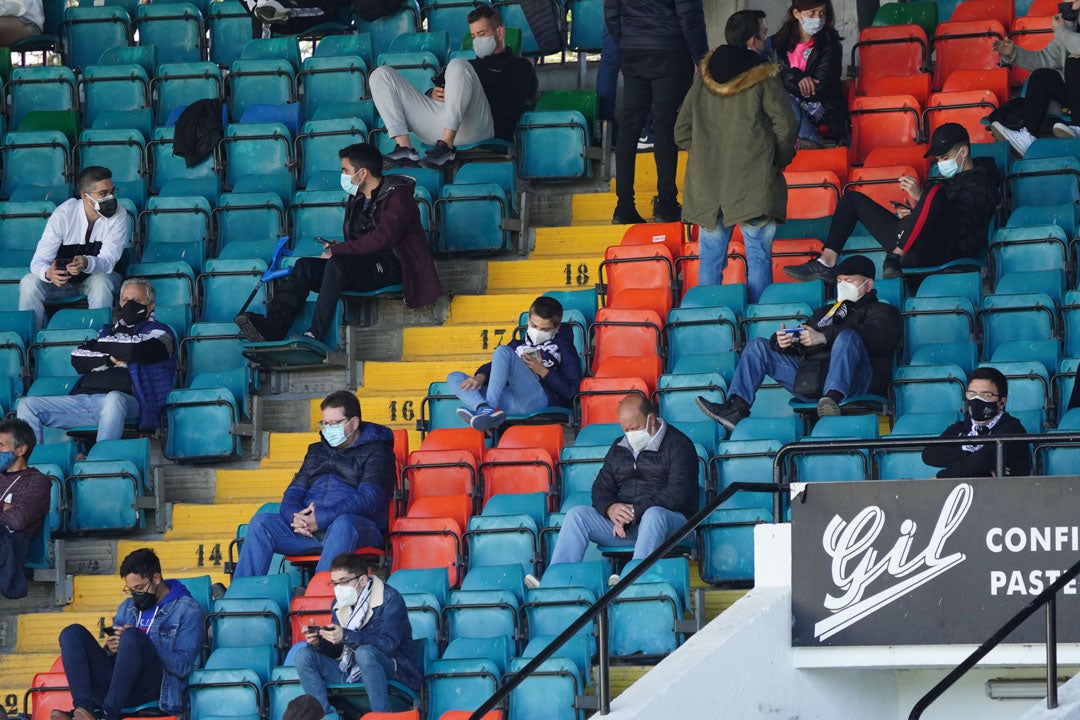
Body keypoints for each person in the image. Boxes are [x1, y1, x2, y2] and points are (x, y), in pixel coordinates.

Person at [234, 143, 443, 343]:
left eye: (345, 170)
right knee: (304, 266)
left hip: (392, 266)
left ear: (363, 173)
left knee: (337, 264)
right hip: (364, 265)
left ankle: (314, 334)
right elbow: (363, 239)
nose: (343, 175)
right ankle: (273, 327)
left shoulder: (399, 199)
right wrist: (340, 246)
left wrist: (340, 250)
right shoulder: (358, 198)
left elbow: (382, 239)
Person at [675, 9, 798, 304]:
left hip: (707, 187)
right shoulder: (763, 76)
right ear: (751, 41)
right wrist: (775, 160)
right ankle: (757, 321)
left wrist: (707, 155)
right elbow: (787, 125)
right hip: (753, 184)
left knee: (710, 261)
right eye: (764, 33)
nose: (767, 38)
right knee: (757, 256)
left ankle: (711, 322)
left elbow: (680, 132)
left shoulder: (703, 77)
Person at [698, 255, 902, 425]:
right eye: (840, 281)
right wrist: (785, 342)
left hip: (858, 382)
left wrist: (824, 337)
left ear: (869, 284)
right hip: (815, 378)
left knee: (847, 337)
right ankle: (736, 408)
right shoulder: (826, 311)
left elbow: (877, 339)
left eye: (850, 281)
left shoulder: (883, 311)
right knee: (758, 346)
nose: (843, 285)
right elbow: (807, 336)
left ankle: (833, 400)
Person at [784, 123, 1001, 281]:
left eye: (944, 158)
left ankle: (895, 257)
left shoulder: (984, 180)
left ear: (963, 152)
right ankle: (826, 262)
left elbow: (964, 225)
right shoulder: (943, 182)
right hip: (916, 245)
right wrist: (914, 214)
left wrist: (921, 198)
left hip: (948, 250)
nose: (941, 164)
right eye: (938, 160)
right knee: (852, 199)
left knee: (932, 189)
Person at [528, 394, 698, 588]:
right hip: (626, 527)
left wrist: (634, 512)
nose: (630, 434)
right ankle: (555, 582)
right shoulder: (619, 447)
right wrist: (611, 509)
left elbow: (677, 494)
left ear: (651, 419)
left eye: (634, 428)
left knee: (653, 514)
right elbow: (600, 487)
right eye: (625, 430)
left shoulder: (679, 445)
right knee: (577, 515)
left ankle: (633, 581)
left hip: (673, 526)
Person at [233, 391, 396, 578]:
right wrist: (295, 517)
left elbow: (370, 498)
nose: (329, 429)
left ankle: (317, 596)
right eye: (325, 424)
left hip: (355, 528)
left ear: (354, 423)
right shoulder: (316, 451)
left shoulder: (378, 450)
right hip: (310, 530)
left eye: (336, 423)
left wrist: (322, 517)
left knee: (344, 523)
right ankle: (240, 597)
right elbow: (294, 491)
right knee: (261, 522)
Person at [369, 6, 538, 169]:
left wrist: (472, 92)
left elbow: (514, 107)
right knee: (380, 74)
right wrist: (432, 94)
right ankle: (405, 148)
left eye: (482, 34)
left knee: (457, 64)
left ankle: (446, 147)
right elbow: (442, 86)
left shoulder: (519, 66)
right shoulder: (470, 65)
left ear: (499, 32)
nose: (477, 40)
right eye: (473, 36)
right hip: (444, 123)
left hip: (484, 126)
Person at [52, 548, 206, 720]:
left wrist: (143, 641)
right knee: (71, 633)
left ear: (156, 578)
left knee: (132, 636)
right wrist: (110, 649)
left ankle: (107, 715)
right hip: (118, 686)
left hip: (155, 689)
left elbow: (183, 666)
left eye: (139, 588)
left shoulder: (187, 609)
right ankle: (83, 709)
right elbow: (113, 660)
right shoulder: (127, 607)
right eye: (131, 590)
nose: (135, 595)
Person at [18, 279, 177, 445]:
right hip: (87, 399)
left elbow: (133, 349)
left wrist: (99, 346)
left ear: (150, 306)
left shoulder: (160, 332)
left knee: (113, 398)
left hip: (131, 402)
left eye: (136, 301)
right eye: (125, 300)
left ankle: (102, 457)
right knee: (27, 405)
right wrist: (110, 359)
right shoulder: (107, 331)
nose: (129, 305)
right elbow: (77, 358)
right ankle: (33, 466)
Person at [606, 0, 709, 225]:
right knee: (665, 125)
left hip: (633, 51)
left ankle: (623, 206)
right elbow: (689, 16)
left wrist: (627, 41)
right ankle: (666, 203)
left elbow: (612, 14)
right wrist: (702, 59)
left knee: (629, 127)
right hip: (670, 52)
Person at [293, 553, 421, 716]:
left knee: (365, 652)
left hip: (393, 669)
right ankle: (325, 716)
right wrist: (319, 641)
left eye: (344, 582)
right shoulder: (339, 605)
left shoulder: (389, 598)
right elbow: (338, 652)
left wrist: (346, 636)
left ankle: (380, 716)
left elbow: (389, 644)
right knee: (303, 655)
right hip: (350, 670)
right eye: (335, 583)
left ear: (362, 580)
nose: (338, 589)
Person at [447, 296, 582, 432]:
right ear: (528, 320)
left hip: (538, 400)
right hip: (509, 399)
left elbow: (572, 392)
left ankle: (487, 411)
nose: (537, 332)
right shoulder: (518, 345)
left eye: (545, 330)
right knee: (454, 377)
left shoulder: (564, 348)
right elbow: (495, 365)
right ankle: (483, 407)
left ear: (557, 327)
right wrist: (481, 376)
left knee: (502, 350)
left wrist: (543, 371)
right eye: (534, 326)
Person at [20, 166, 128, 329]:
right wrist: (48, 273)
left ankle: (100, 340)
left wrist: (86, 262)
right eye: (103, 194)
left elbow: (108, 262)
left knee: (101, 283)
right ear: (85, 197)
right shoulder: (63, 215)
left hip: (98, 278)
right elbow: (39, 260)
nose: (111, 198)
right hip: (62, 284)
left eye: (112, 192)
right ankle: (31, 345)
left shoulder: (119, 214)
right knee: (29, 282)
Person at [992, 2, 1080, 155]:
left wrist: (1060, 31)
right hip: (1076, 95)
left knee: (1074, 61)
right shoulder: (1071, 28)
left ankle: (1078, 125)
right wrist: (1014, 53)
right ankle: (1027, 137)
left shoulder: (1064, 32)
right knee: (1041, 76)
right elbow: (1045, 59)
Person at [922, 368, 1032, 478]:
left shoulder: (1012, 429)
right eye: (972, 394)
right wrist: (976, 460)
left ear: (1002, 402)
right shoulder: (960, 428)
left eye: (986, 395)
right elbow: (929, 454)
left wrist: (940, 477)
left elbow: (982, 460)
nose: (976, 400)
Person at [770, 0, 848, 148]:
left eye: (822, 13)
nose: (818, 18)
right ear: (796, 13)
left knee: (783, 97)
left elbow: (817, 89)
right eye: (812, 13)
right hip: (786, 110)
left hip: (823, 110)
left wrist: (786, 80)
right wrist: (796, 76)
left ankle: (810, 141)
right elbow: (770, 73)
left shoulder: (831, 44)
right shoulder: (778, 43)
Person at [0, 419, 50, 600]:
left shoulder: (38, 482)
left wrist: (8, 510)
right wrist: (4, 507)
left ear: (21, 450)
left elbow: (18, 519)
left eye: (1, 446)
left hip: (12, 544)